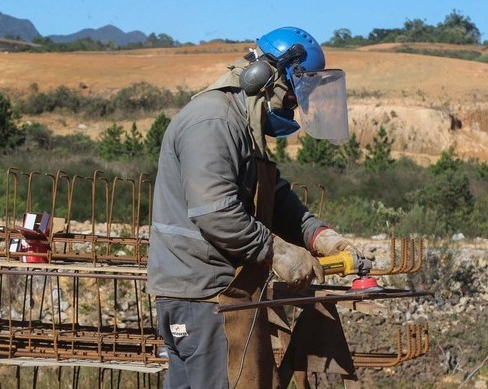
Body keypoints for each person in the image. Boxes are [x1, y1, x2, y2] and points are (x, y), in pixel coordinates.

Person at [148, 26, 353, 389]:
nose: (294, 105)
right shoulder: (213, 122)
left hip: (216, 294)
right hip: (205, 296)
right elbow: (217, 213)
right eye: (293, 93)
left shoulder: (242, 123)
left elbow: (276, 196)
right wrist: (276, 251)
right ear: (266, 76)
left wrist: (320, 236)